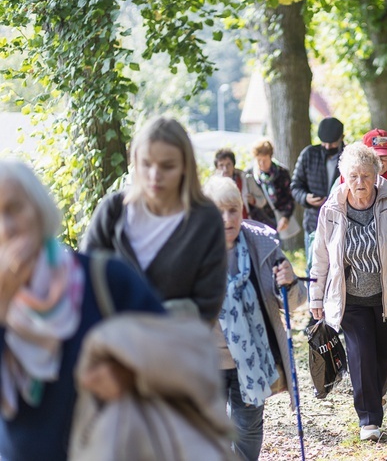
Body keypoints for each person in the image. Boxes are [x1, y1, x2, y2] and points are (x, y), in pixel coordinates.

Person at [0, 160, 165, 461]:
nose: (5, 228)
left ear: (38, 210)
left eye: (14, 209)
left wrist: (132, 376)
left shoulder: (105, 280)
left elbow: (176, 355)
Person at [309, 143, 387, 441]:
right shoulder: (332, 209)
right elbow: (320, 256)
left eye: (365, 175)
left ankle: (376, 393)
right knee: (361, 355)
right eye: (353, 176)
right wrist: (315, 296)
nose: (359, 182)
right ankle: (369, 420)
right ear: (343, 178)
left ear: (376, 174)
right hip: (351, 299)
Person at [81, 117, 227, 321]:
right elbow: (83, 280)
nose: (154, 175)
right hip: (107, 345)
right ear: (134, 160)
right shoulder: (113, 211)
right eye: (146, 164)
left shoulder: (205, 220)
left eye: (167, 167)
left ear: (186, 166)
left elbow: (207, 305)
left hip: (173, 348)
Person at [203, 176, 306, 460]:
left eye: (233, 210)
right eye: (218, 211)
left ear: (242, 210)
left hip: (251, 359)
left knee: (247, 428)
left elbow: (297, 302)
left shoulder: (262, 246)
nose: (227, 218)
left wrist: (290, 283)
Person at [291, 117, 345, 272]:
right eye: (324, 143)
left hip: (339, 225)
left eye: (332, 143)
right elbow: (295, 186)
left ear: (342, 137)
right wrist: (305, 197)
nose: (328, 146)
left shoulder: (349, 157)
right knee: (313, 269)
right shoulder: (308, 154)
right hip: (313, 223)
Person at [249, 138, 297, 237]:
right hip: (257, 220)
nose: (261, 164)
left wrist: (286, 217)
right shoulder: (250, 175)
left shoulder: (282, 172)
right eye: (258, 160)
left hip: (277, 218)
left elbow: (289, 198)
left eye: (264, 160)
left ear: (270, 157)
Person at [214, 148, 269, 224]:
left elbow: (263, 201)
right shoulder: (212, 187)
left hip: (247, 223)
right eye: (221, 165)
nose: (225, 169)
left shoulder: (246, 180)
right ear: (217, 168)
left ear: (233, 165)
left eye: (228, 164)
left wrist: (253, 200)